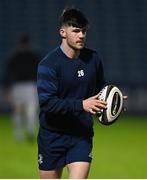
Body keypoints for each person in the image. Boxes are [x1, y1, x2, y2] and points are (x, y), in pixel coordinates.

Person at [37, 7, 116, 179]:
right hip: (52, 136)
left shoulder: (93, 59)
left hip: (81, 134)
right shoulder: (48, 65)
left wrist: (112, 101)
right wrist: (81, 105)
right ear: (62, 32)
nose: (81, 35)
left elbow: (100, 89)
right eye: (76, 31)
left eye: (84, 31)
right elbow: (47, 103)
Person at [4, 33, 40, 142]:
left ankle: (18, 135)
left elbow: (7, 74)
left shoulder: (14, 57)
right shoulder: (34, 56)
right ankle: (30, 131)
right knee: (31, 111)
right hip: (30, 86)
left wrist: (7, 89)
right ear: (29, 43)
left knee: (17, 111)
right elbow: (40, 72)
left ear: (19, 43)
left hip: (17, 87)